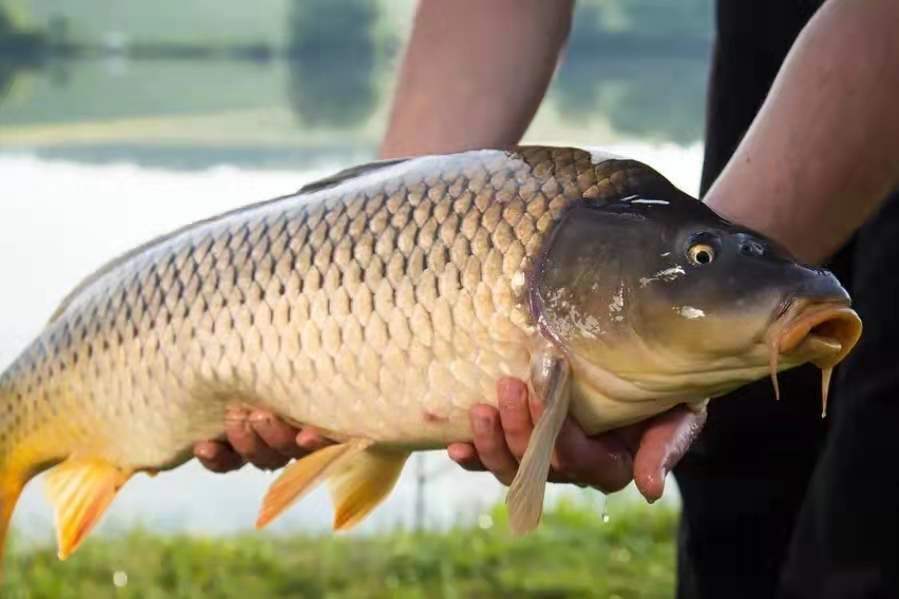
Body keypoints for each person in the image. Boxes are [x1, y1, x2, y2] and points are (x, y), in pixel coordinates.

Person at [195, 1, 899, 597]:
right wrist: (381, 263)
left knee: (867, 510)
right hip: (770, 45)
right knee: (738, 476)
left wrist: (734, 277)